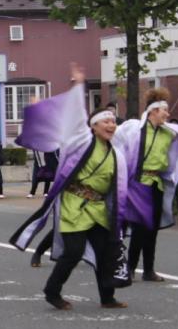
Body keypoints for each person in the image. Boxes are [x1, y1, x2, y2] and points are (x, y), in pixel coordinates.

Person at [11, 65, 130, 309]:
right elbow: (75, 115)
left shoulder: (116, 152)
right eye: (104, 121)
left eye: (112, 121)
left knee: (104, 251)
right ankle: (51, 291)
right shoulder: (81, 141)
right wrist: (78, 86)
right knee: (73, 252)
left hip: (97, 209)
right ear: (93, 126)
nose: (110, 124)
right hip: (74, 205)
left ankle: (107, 297)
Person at [113, 87, 178, 283]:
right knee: (140, 228)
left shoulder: (169, 133)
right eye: (164, 110)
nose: (167, 113)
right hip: (138, 184)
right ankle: (129, 268)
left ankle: (149, 270)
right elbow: (115, 141)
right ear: (153, 111)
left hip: (157, 184)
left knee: (152, 228)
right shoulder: (133, 129)